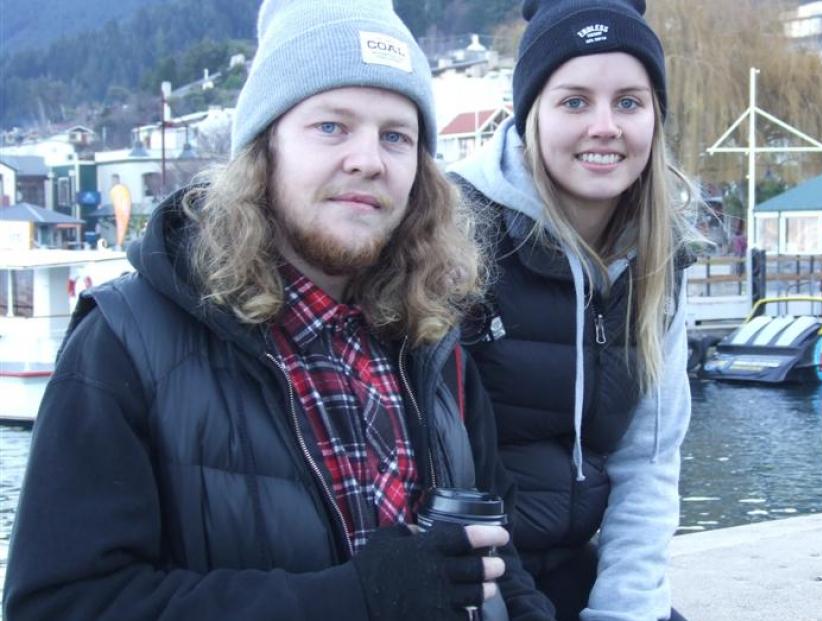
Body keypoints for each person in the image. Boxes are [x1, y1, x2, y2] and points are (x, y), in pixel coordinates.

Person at [2, 1, 555, 620]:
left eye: (396, 136)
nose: (369, 159)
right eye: (332, 127)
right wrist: (351, 600)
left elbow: (504, 566)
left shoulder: (434, 344)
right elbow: (59, 605)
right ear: (264, 149)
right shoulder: (125, 343)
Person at [449, 1, 702, 620]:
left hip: (570, 562)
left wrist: (626, 609)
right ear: (530, 112)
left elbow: (648, 461)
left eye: (629, 101)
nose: (605, 126)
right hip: (468, 579)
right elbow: (438, 476)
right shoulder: (456, 232)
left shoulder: (658, 256)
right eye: (574, 101)